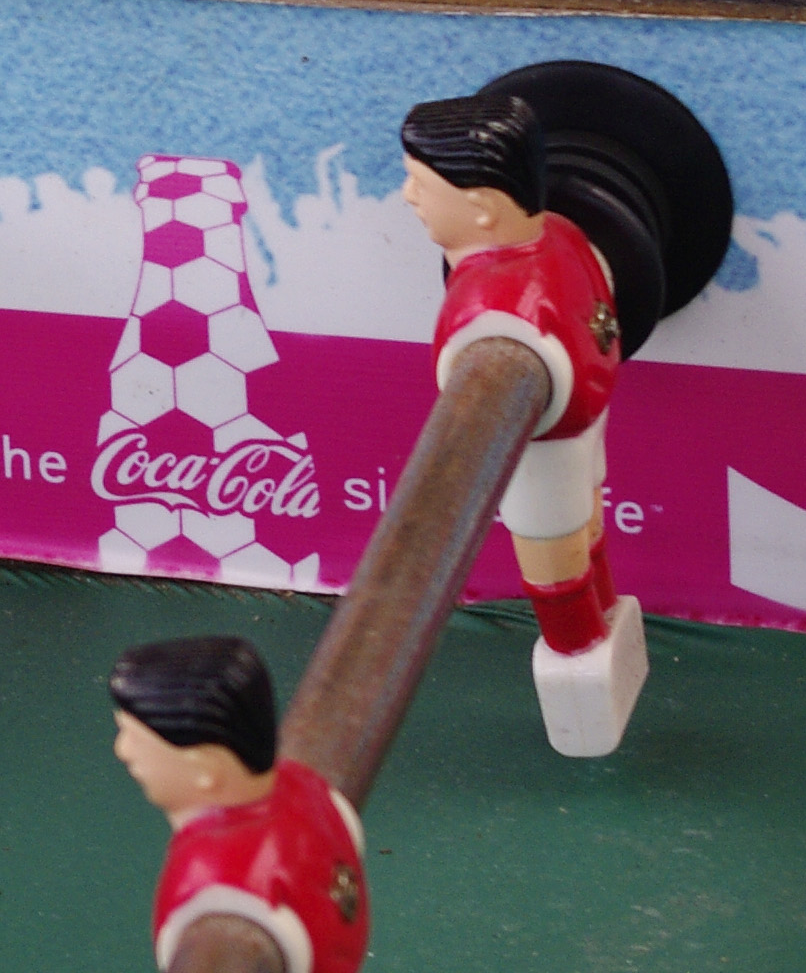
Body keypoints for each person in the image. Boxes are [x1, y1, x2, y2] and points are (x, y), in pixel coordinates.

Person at [398, 91, 646, 756]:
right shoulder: (563, 234)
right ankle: (602, 629)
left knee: (554, 568)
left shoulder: (491, 310)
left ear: (483, 206)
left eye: (421, 184)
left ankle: (582, 673)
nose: (407, 197)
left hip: (542, 447)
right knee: (587, 535)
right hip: (585, 415)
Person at [109, 635, 367, 973]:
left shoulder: (222, 885)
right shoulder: (307, 789)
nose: (122, 751)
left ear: (205, 770)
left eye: (135, 739)